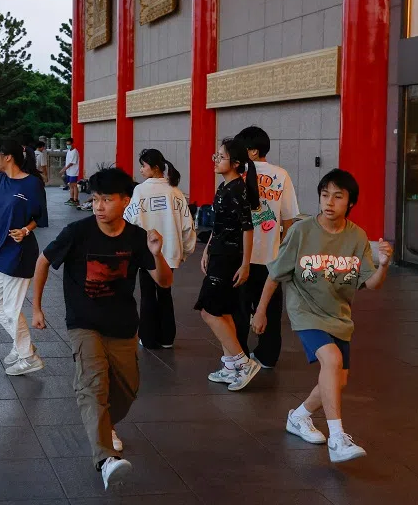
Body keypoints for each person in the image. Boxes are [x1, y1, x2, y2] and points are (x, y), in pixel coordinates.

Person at [31, 167, 173, 490]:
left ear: (125, 201)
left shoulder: (137, 238)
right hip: (84, 323)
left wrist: (156, 254)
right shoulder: (78, 233)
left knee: (127, 390)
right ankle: (105, 459)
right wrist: (36, 307)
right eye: (94, 199)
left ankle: (104, 425)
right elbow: (43, 261)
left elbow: (164, 282)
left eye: (106, 200)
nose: (98, 206)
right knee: (93, 384)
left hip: (123, 325)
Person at [253, 170, 392, 463]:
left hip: (338, 315)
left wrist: (383, 265)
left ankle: (299, 416)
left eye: (337, 196)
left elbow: (371, 283)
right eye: (325, 195)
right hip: (305, 311)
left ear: (350, 202)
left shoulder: (356, 237)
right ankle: (338, 438)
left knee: (338, 380)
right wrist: (261, 310)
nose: (329, 202)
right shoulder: (301, 232)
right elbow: (275, 274)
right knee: (331, 360)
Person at [0, 137, 48, 376]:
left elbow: (40, 218)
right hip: (2, 249)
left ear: (8, 157)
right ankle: (21, 345)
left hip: (22, 251)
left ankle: (28, 356)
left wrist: (26, 230)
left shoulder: (33, 184)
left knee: (11, 307)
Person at [197, 137, 262, 391]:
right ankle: (230, 367)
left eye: (220, 157)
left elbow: (247, 228)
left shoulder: (237, 189)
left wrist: (246, 263)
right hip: (219, 254)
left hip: (229, 258)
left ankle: (243, 362)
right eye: (216, 156)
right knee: (223, 311)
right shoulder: (225, 187)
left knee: (208, 310)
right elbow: (220, 225)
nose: (215, 160)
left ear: (235, 163)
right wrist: (207, 250)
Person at [233, 126, 300, 368]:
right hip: (271, 256)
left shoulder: (236, 174)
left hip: (240, 255)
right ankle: (267, 355)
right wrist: (283, 249)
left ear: (252, 151)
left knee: (239, 308)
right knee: (270, 307)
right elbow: (290, 217)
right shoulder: (281, 175)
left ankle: (238, 355)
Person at [124, 149, 195, 349]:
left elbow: (129, 220)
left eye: (143, 165)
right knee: (165, 292)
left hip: (146, 252)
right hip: (170, 252)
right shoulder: (176, 191)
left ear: (154, 167)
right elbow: (188, 225)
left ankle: (147, 337)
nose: (141, 169)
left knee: (147, 294)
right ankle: (167, 338)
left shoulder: (140, 191)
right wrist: (185, 251)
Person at [60, 138, 80, 206]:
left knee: (74, 185)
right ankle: (71, 199)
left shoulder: (75, 151)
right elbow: (67, 162)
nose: (68, 145)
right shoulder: (69, 151)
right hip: (69, 171)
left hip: (74, 171)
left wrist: (64, 169)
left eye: (69, 144)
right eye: (67, 144)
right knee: (70, 185)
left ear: (72, 144)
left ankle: (76, 200)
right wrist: (64, 169)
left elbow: (72, 163)